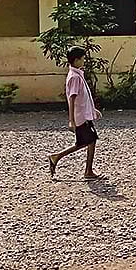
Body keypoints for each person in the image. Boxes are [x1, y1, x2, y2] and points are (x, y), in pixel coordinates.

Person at [48, 46, 101, 179]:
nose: (84, 61)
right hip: (80, 116)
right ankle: (58, 157)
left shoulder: (77, 74)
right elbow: (72, 98)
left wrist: (92, 110)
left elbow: (83, 97)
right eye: (82, 59)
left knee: (89, 140)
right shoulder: (75, 77)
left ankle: (86, 169)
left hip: (84, 114)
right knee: (85, 142)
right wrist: (71, 120)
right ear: (76, 60)